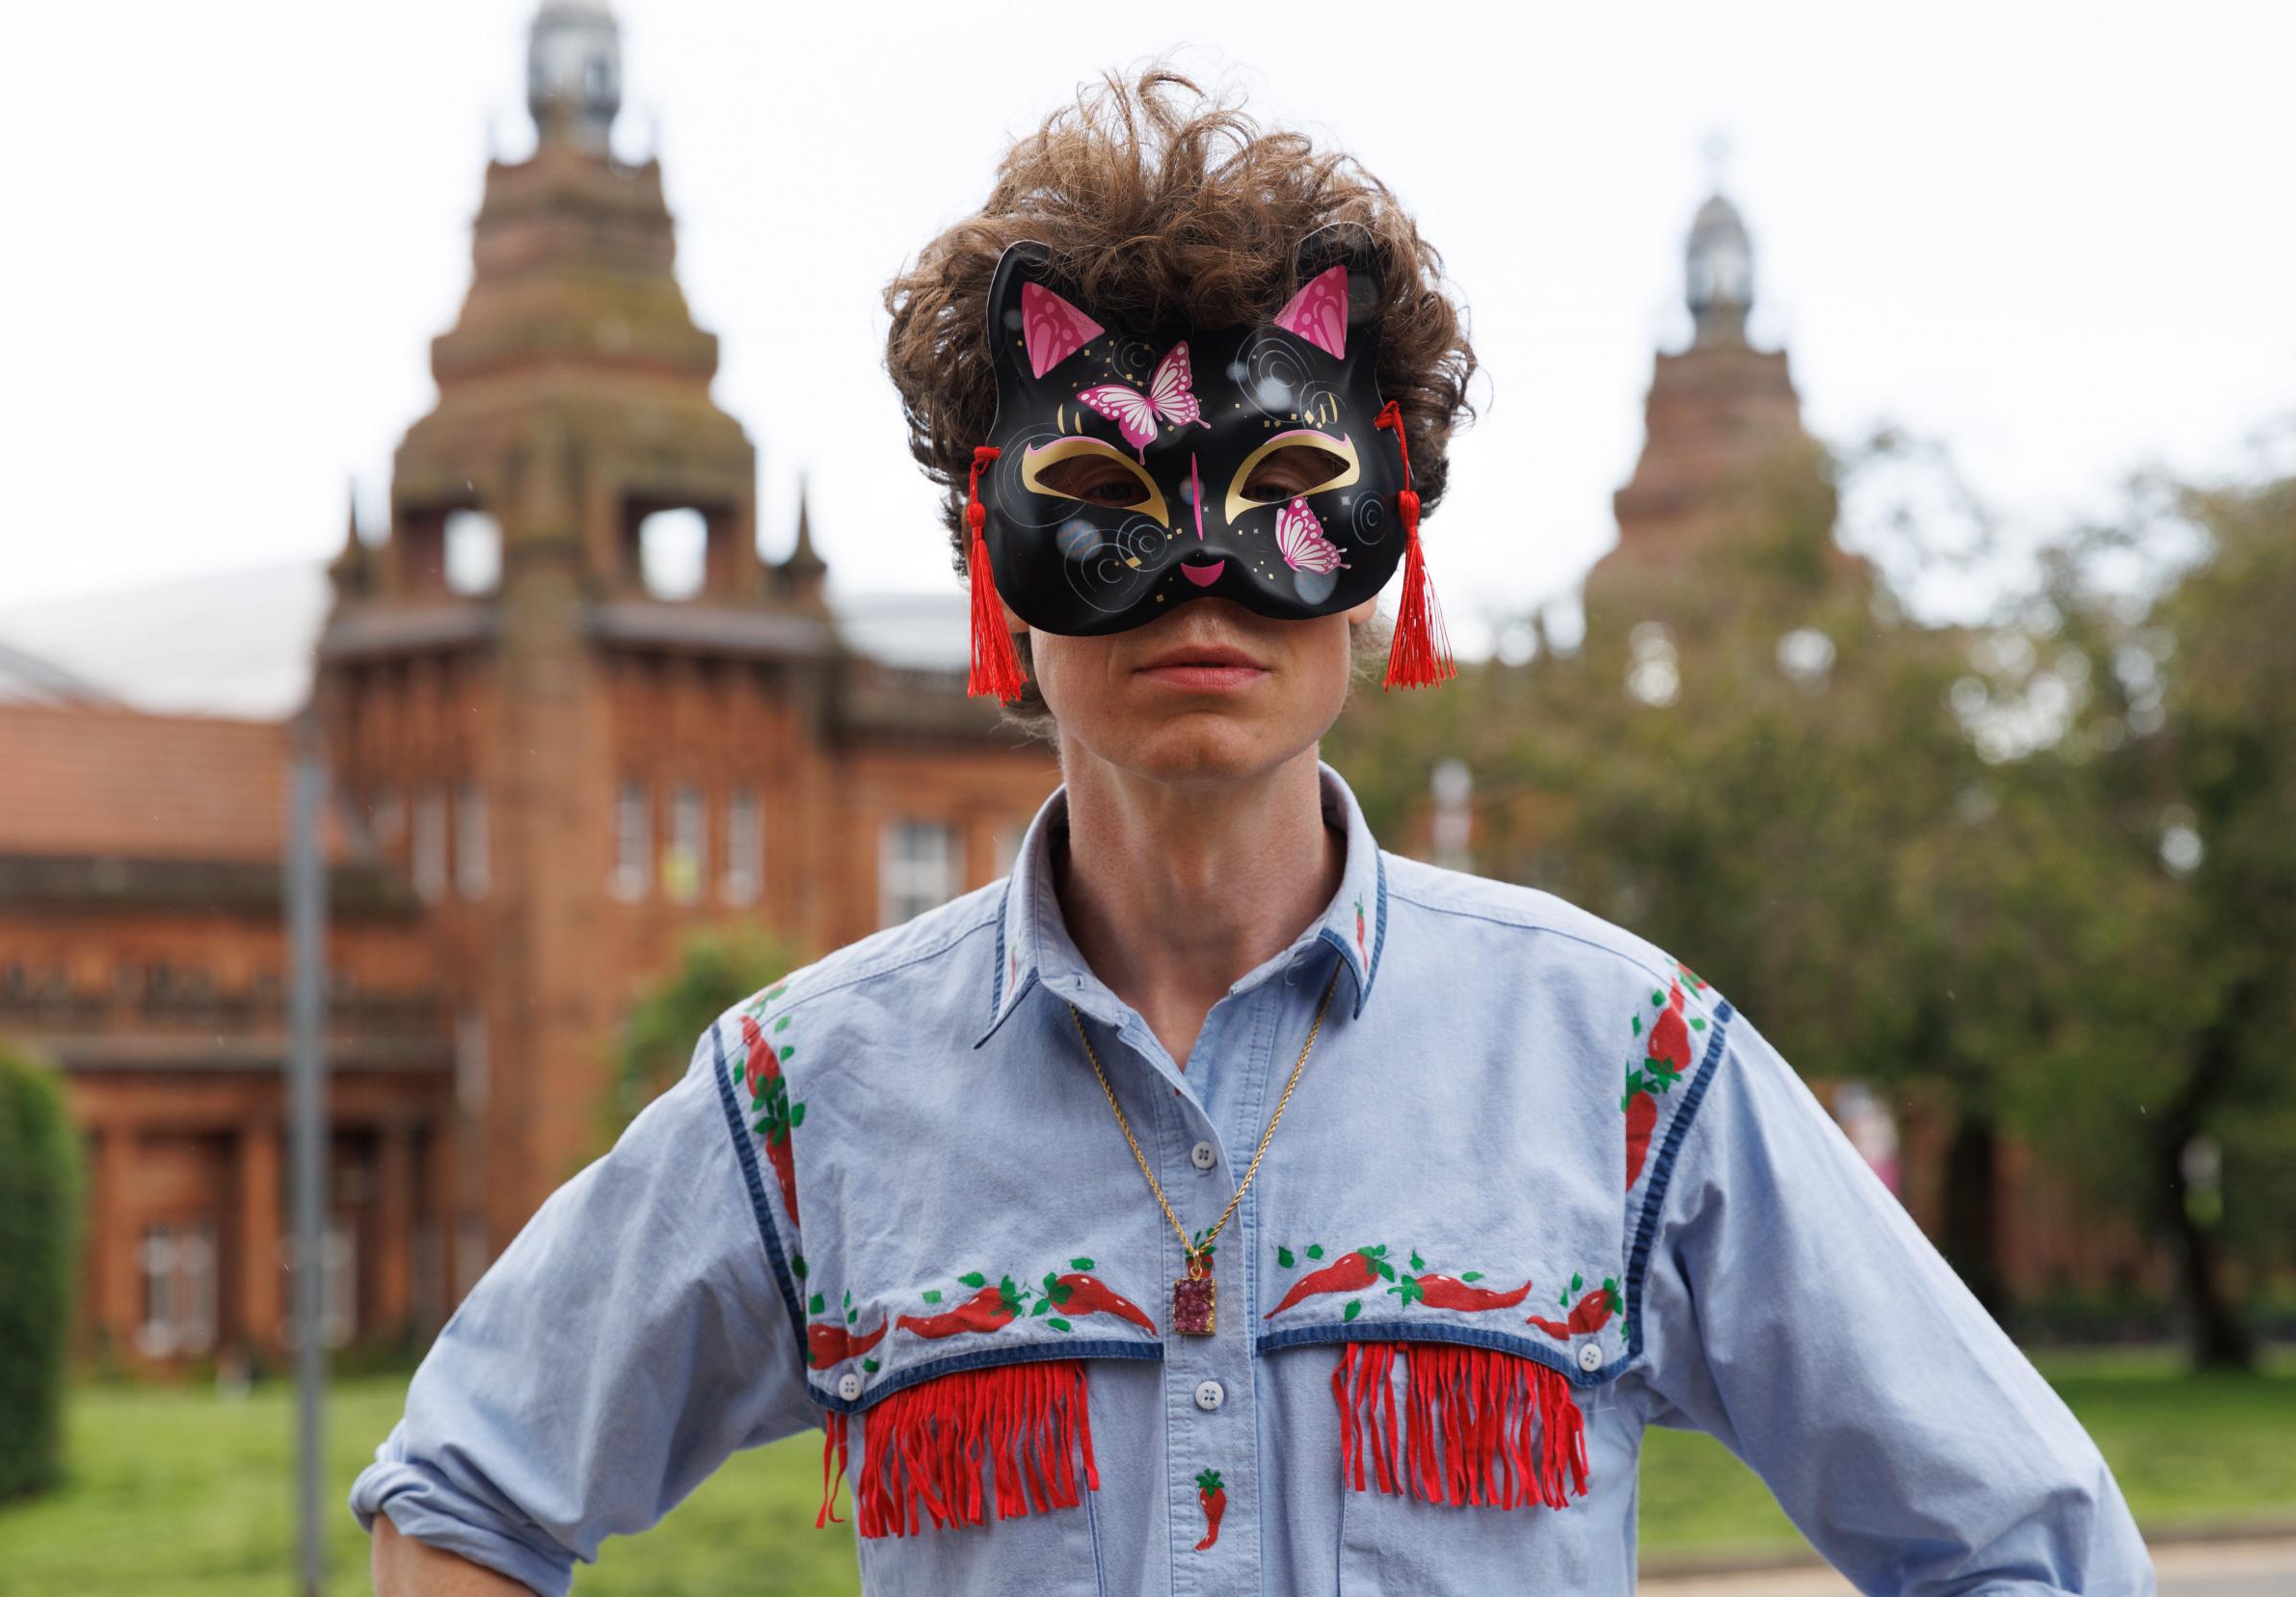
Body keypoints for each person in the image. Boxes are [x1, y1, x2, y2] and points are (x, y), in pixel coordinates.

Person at [354, 68, 2155, 1596]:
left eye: (1285, 490)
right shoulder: (808, 1096)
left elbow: (2028, 1537)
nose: (1201, 574)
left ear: (1387, 562)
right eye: (1103, 498)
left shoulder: (1623, 1064)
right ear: (998, 563)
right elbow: (466, 1485)